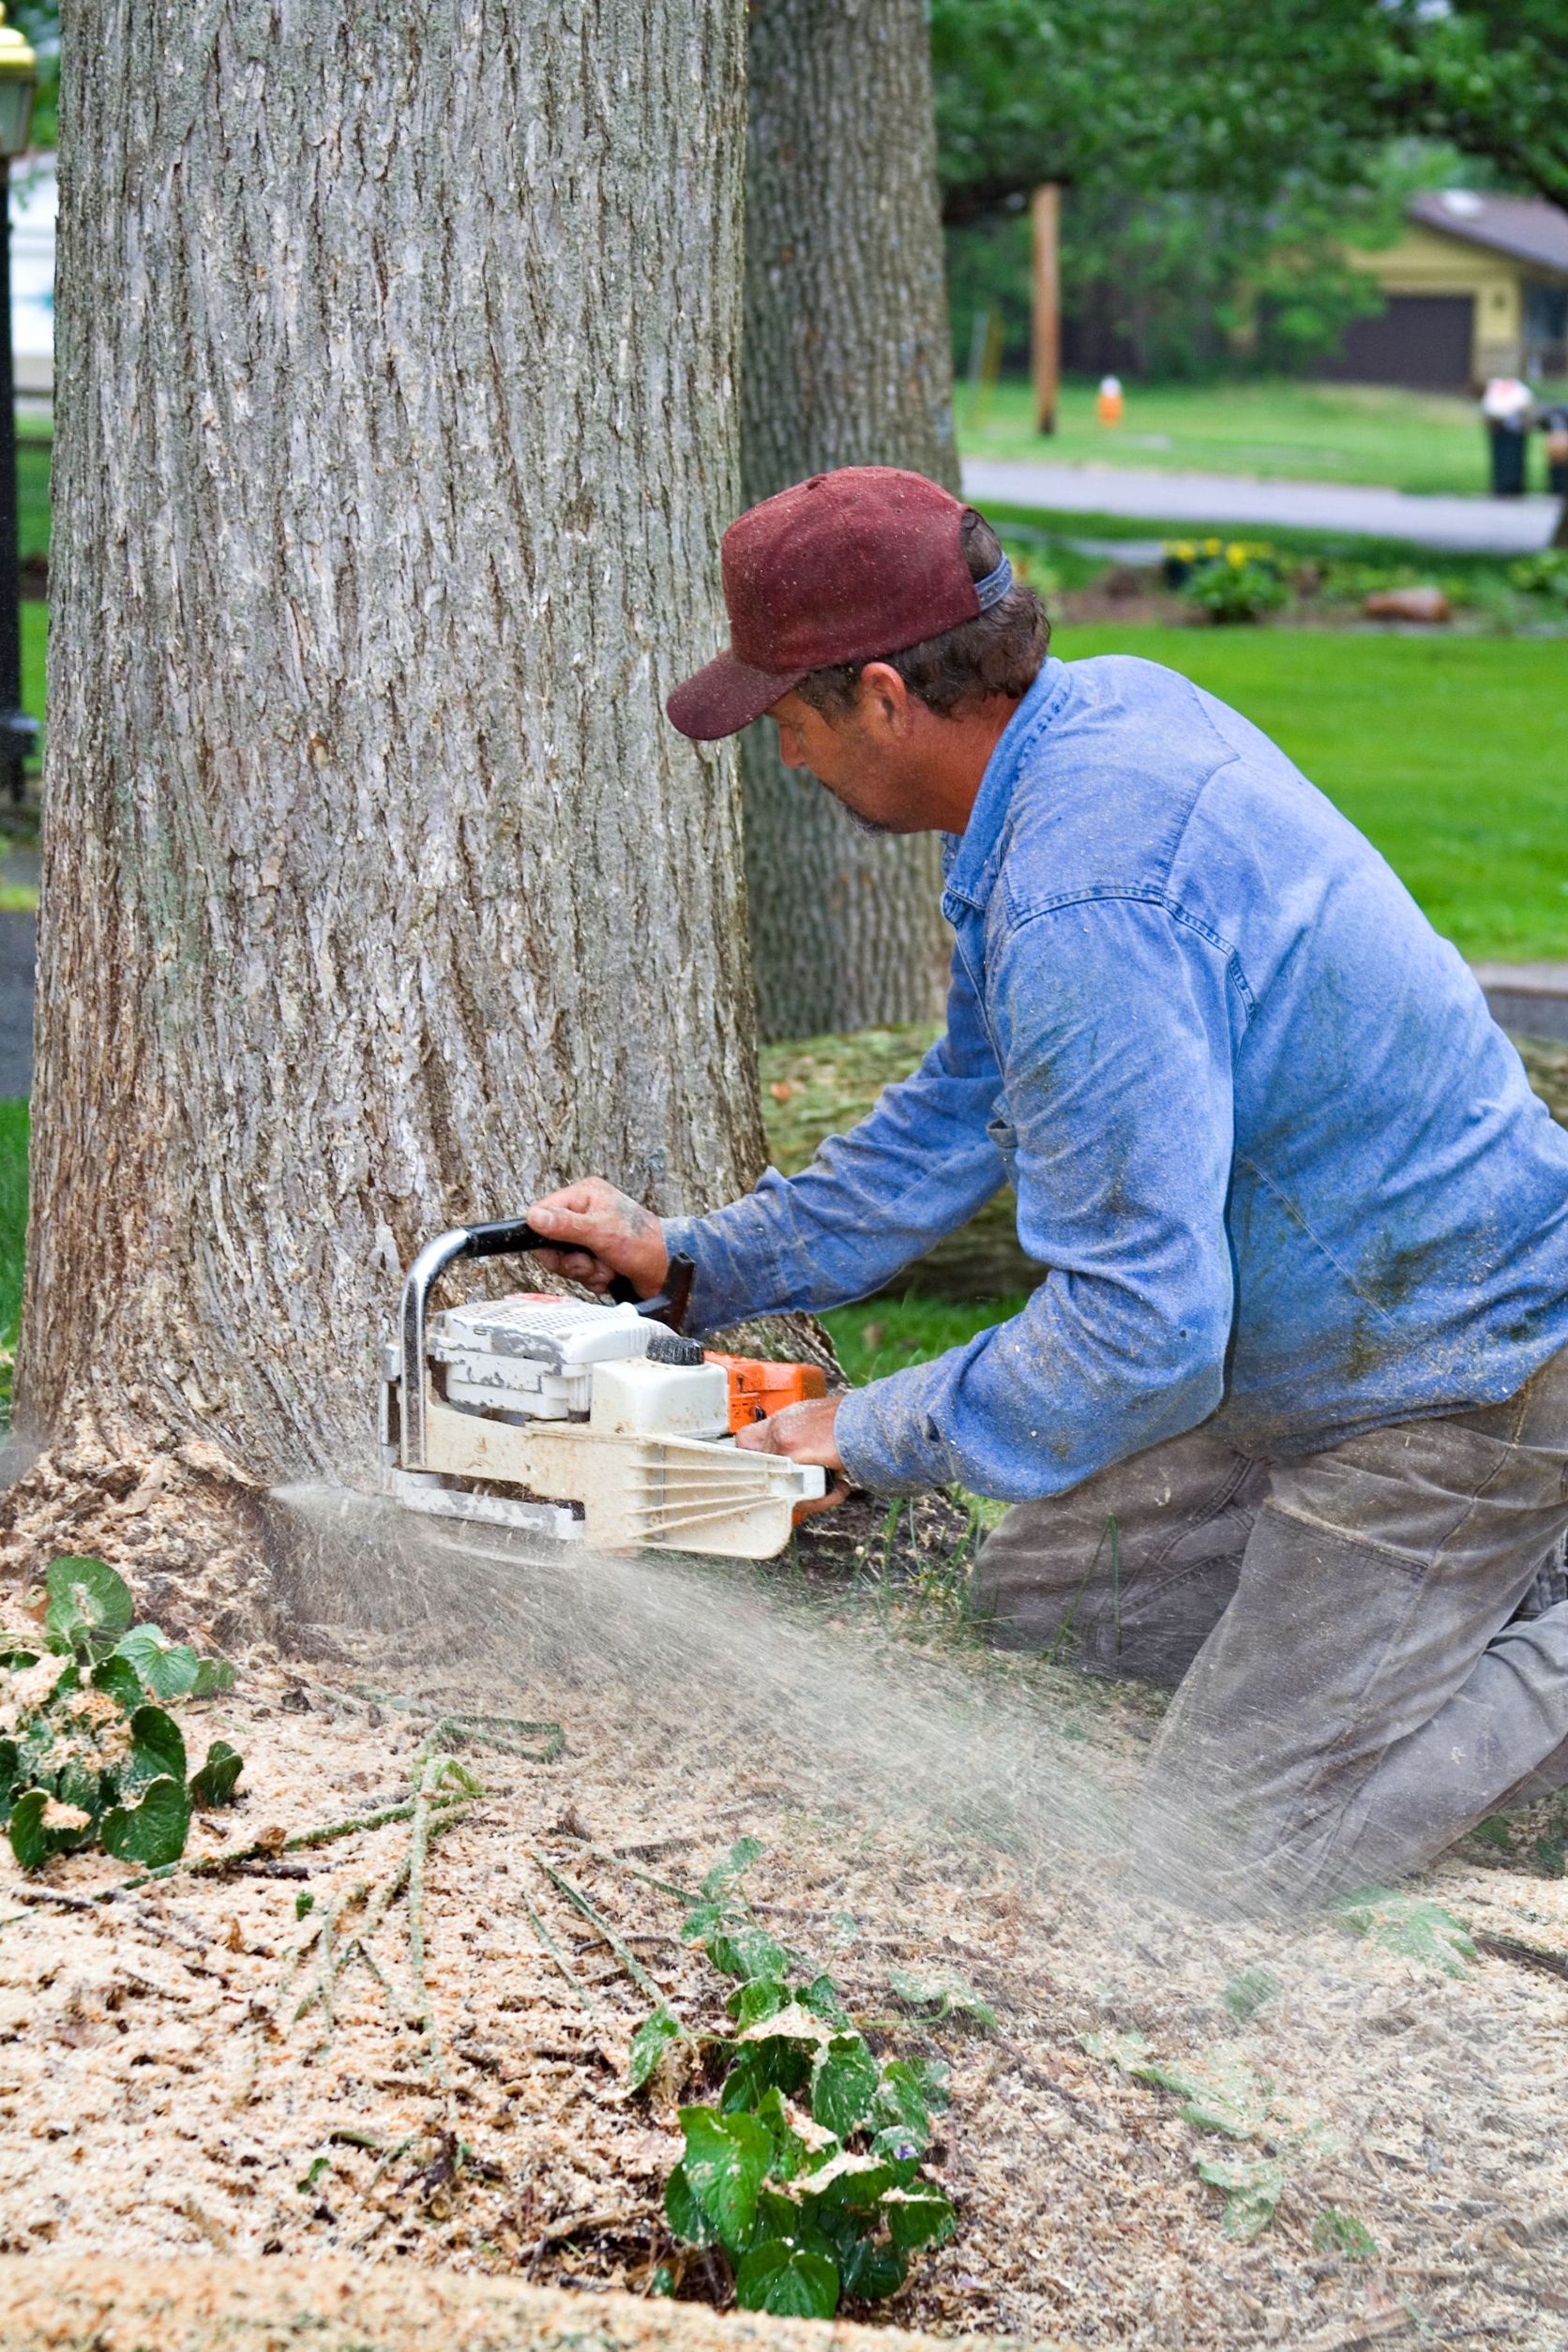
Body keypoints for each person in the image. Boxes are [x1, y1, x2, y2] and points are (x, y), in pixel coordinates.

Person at [527, 465, 1568, 1915]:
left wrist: (857, 1432)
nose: (785, 755)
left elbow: (1141, 1333)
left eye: (787, 716)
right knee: (1044, 1603)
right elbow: (964, 1106)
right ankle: (1476, 1586)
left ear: (884, 696)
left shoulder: (1087, 900)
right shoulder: (1086, 733)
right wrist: (698, 1265)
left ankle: (1522, 1601)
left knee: (1218, 1870)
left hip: (1462, 1378)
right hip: (1311, 1357)